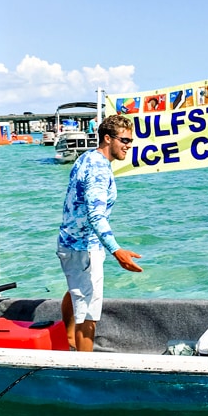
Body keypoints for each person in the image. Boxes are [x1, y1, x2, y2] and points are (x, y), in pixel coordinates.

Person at [56, 114, 142, 352]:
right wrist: (117, 251)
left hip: (69, 243)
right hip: (84, 248)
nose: (128, 145)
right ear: (107, 138)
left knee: (76, 291)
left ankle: (68, 341)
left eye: (131, 141)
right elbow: (95, 215)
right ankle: (84, 370)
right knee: (89, 313)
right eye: (124, 140)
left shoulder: (87, 157)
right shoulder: (99, 170)